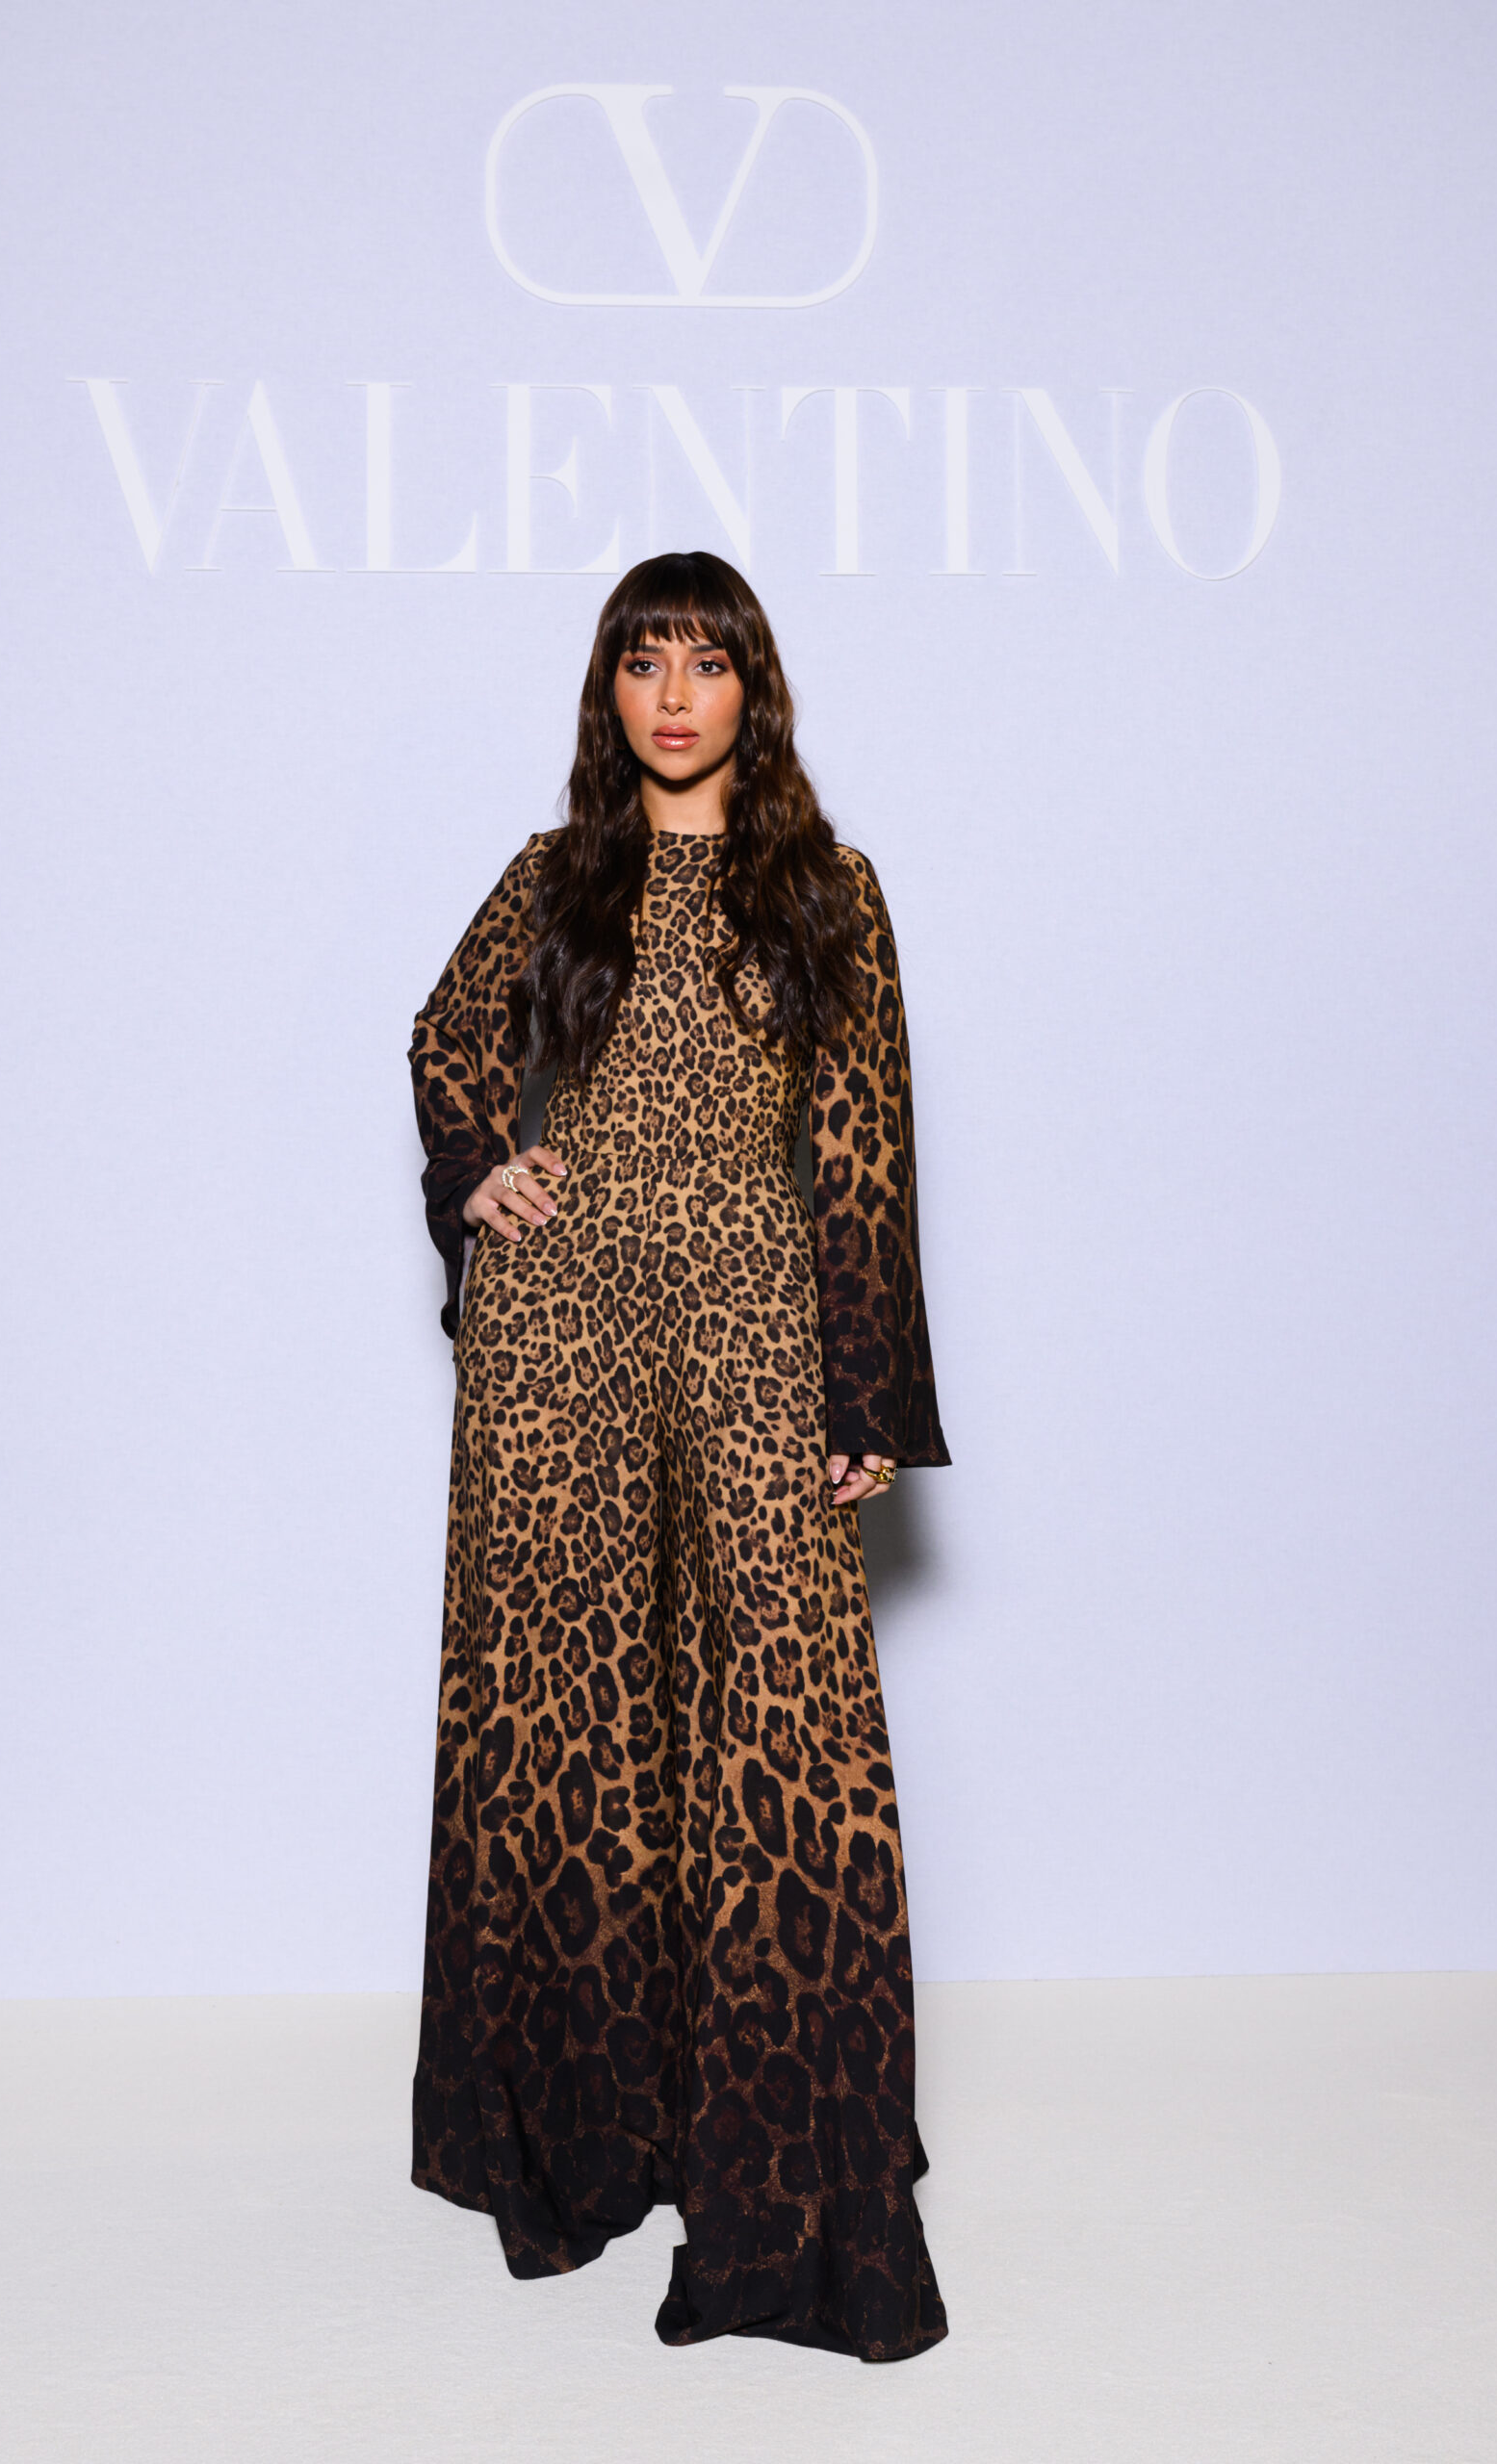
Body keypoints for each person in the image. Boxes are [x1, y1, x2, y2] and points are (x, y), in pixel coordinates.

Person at [406, 551, 950, 2362]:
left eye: (704, 663)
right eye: (642, 661)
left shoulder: (828, 889)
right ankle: (590, 2138)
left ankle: (782, 2173)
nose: (671, 695)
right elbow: (446, 1035)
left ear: (751, 691)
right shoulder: (557, 874)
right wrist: (479, 1170)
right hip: (558, 1336)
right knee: (569, 1719)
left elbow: (865, 1143)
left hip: (750, 1320)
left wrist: (864, 1392)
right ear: (610, 692)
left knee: (785, 1725)